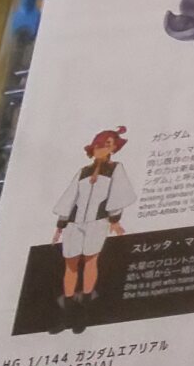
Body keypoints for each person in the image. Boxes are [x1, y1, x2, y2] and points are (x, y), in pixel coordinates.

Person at [50, 126, 135, 334]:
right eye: (99, 144)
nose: (102, 148)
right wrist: (61, 225)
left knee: (90, 261)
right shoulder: (83, 172)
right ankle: (67, 312)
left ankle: (83, 312)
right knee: (70, 264)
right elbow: (70, 197)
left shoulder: (115, 169)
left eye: (108, 145)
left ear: (113, 148)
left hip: (98, 222)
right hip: (75, 223)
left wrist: (114, 220)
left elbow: (118, 194)